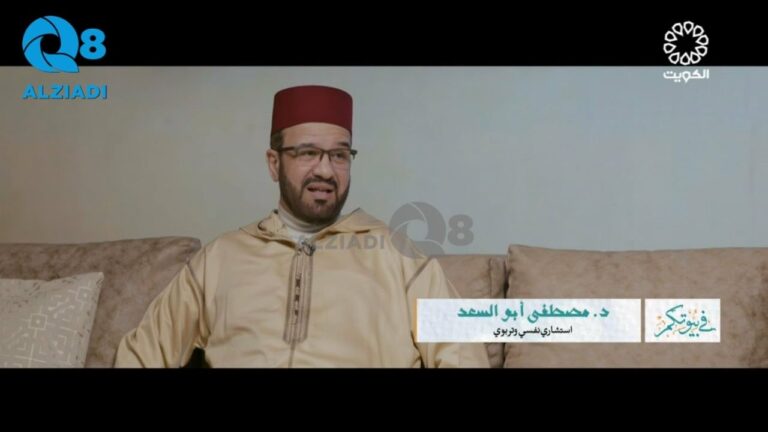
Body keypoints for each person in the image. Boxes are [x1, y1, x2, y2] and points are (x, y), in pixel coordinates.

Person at [115, 85, 490, 367]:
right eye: (308, 153)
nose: (325, 170)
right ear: (274, 163)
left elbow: (463, 354)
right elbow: (142, 356)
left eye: (339, 154)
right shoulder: (220, 258)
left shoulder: (399, 257)